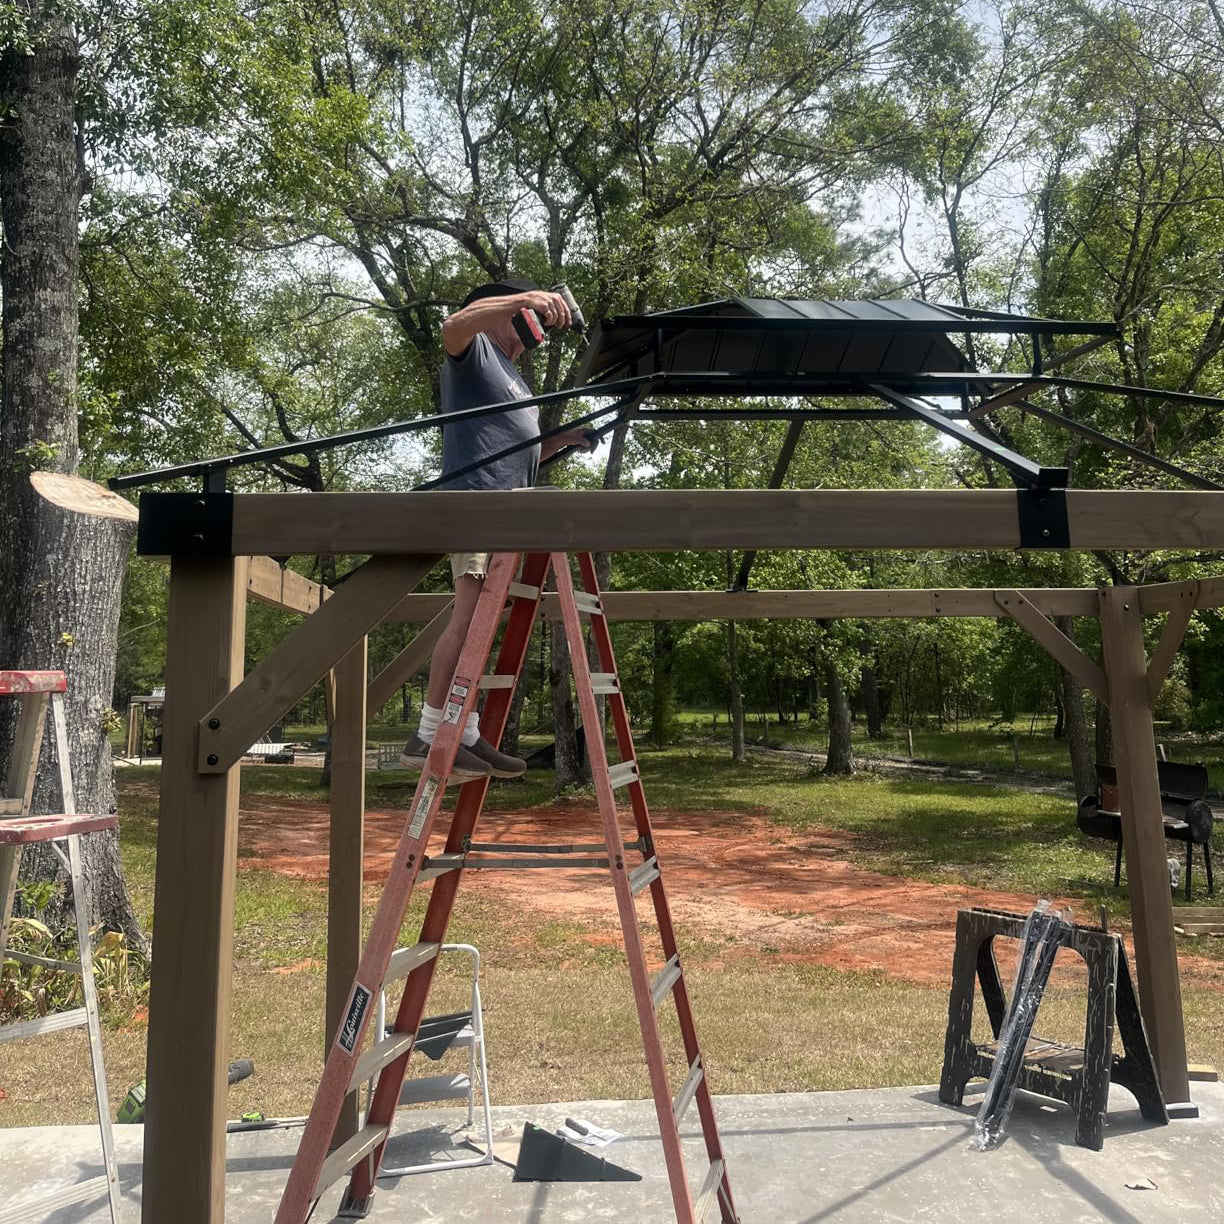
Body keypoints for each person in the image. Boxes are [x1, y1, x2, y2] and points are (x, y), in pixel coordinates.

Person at [399, 279, 595, 781]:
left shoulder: (513, 377)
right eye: (525, 314)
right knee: (467, 619)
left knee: (481, 628)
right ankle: (427, 733)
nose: (536, 328)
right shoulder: (475, 348)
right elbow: (451, 326)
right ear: (501, 311)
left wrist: (563, 441)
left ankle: (462, 732)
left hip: (508, 514)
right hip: (478, 508)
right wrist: (522, 298)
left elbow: (519, 452)